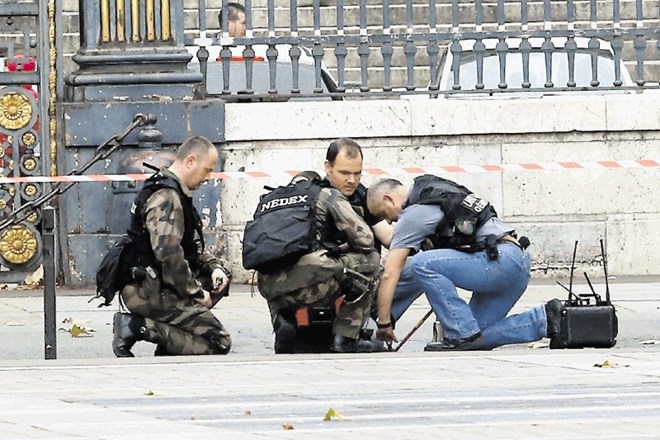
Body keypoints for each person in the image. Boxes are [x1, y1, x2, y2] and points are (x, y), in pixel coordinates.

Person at [366, 175, 563, 351]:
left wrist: (384, 322)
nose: (389, 222)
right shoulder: (433, 189)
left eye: (383, 214)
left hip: (499, 261)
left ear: (388, 198)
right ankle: (544, 319)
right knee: (477, 336)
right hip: (516, 260)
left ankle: (460, 333)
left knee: (421, 264)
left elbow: (390, 273)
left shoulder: (412, 215)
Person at [112, 135, 233, 357]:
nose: (208, 177)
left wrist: (215, 266)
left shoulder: (173, 190)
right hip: (148, 291)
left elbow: (188, 248)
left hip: (157, 283)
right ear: (190, 161)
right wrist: (197, 294)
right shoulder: (166, 197)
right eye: (206, 170)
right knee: (219, 342)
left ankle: (171, 342)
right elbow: (169, 256)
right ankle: (138, 327)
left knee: (223, 274)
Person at [255, 171, 382, 354]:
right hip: (312, 285)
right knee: (371, 260)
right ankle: (345, 337)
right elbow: (365, 239)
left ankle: (283, 322)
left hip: (269, 289)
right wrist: (339, 249)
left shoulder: (267, 201)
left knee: (273, 265)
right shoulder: (324, 194)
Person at [322, 137, 393, 249]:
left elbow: (388, 236)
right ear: (328, 167)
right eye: (344, 173)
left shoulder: (360, 193)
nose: (352, 180)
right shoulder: (316, 197)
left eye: (357, 173)